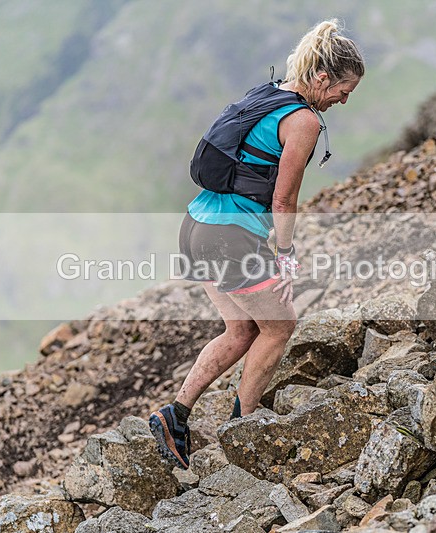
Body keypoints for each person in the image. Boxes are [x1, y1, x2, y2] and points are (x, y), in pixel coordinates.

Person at [149, 19, 364, 469]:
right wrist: (284, 255)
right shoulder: (303, 120)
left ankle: (176, 416)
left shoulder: (267, 95)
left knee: (242, 329)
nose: (345, 99)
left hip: (195, 226)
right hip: (228, 236)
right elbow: (284, 199)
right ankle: (244, 428)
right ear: (323, 77)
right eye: (344, 89)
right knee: (279, 327)